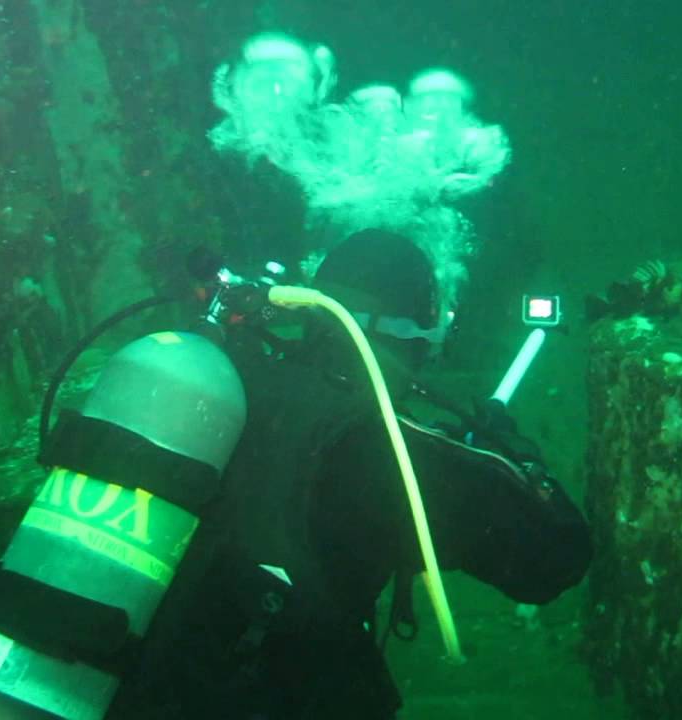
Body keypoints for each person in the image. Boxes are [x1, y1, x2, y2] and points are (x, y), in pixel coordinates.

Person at [107, 229, 592, 719]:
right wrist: (508, 451)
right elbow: (554, 557)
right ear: (414, 329)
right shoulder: (380, 455)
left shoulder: (229, 386)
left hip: (138, 680)